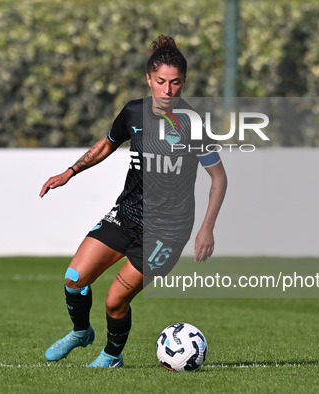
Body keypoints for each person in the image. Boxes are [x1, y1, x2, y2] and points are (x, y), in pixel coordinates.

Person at [39, 35, 227, 368]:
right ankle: (81, 332)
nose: (168, 91)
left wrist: (206, 228)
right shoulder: (133, 112)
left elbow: (219, 178)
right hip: (125, 216)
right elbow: (106, 144)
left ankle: (112, 356)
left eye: (176, 83)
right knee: (73, 279)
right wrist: (70, 171)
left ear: (184, 82)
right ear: (148, 80)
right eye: (161, 82)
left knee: (115, 301)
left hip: (166, 232)